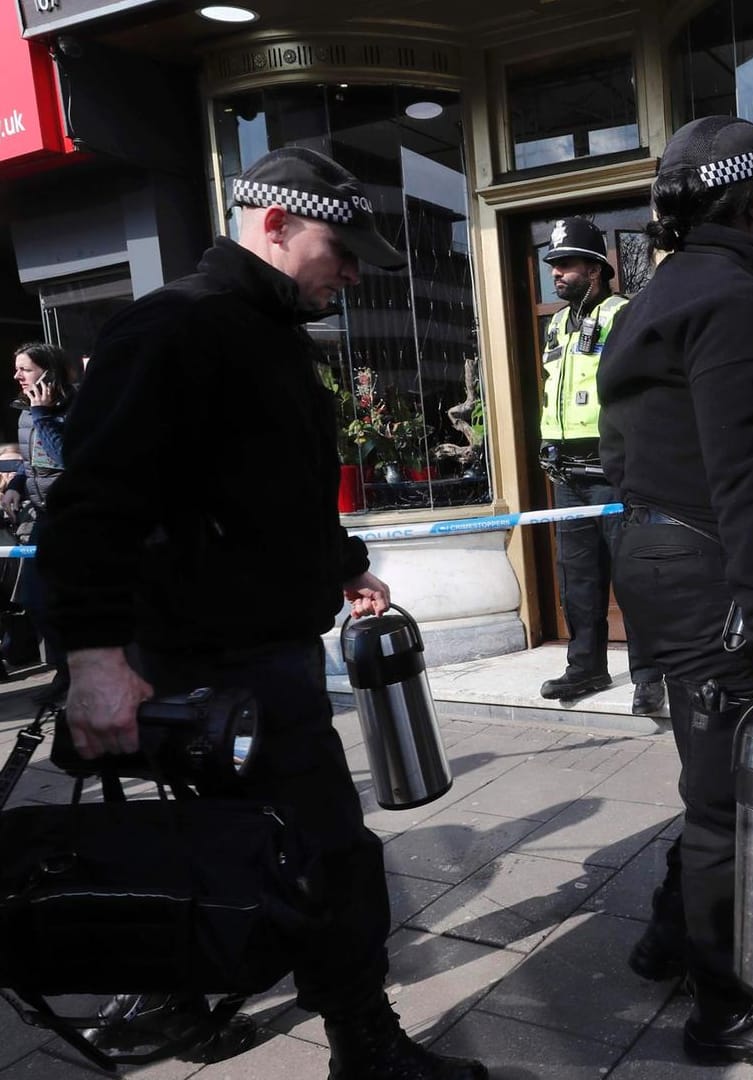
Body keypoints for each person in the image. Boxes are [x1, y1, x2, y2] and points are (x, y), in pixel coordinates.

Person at [35, 146, 487, 1080]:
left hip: (261, 649)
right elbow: (91, 508)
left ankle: (193, 1004)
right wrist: (91, 659)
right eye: (343, 247)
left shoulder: (270, 333)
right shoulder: (176, 328)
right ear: (272, 225)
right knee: (324, 855)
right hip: (214, 663)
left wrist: (344, 566)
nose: (355, 271)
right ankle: (362, 1047)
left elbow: (267, 494)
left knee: (248, 855)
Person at [598, 115, 753, 1066]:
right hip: (715, 573)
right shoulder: (731, 304)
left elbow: (626, 452)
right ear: (749, 203)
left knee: (711, 774)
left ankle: (667, 937)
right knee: (727, 803)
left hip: (664, 557)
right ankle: (724, 1008)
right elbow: (750, 475)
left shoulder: (661, 296)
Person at [536, 216, 663, 715]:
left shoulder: (624, 314)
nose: (557, 274)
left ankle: (648, 676)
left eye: (566, 264)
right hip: (566, 472)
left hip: (612, 469)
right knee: (578, 579)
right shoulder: (557, 324)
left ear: (595, 268)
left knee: (632, 577)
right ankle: (585, 666)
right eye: (553, 266)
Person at [3, 343, 80, 701]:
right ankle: (66, 672)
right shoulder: (25, 411)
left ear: (48, 373)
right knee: (36, 600)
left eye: (25, 369)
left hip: (75, 517)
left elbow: (69, 456)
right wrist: (17, 484)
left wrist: (44, 414)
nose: (17, 376)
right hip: (44, 515)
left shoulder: (72, 407)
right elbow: (30, 462)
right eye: (17, 369)